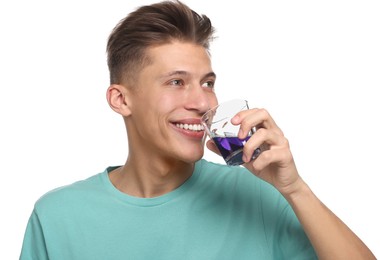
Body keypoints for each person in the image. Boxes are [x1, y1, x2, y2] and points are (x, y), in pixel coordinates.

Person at [20, 1, 376, 259]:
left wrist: (295, 189)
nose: (203, 103)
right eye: (176, 81)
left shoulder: (258, 195)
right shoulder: (57, 217)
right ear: (121, 100)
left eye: (207, 82)